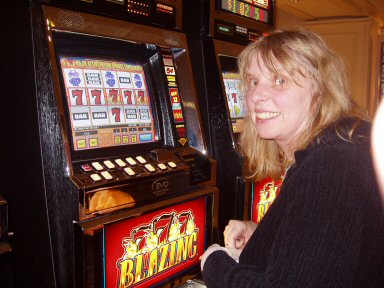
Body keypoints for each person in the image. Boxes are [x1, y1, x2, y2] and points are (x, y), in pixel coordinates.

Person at [200, 29, 384, 287]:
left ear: (320, 90)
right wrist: (262, 235)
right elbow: (330, 249)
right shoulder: (340, 145)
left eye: (279, 80)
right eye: (253, 82)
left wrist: (214, 262)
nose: (257, 97)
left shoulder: (331, 166)